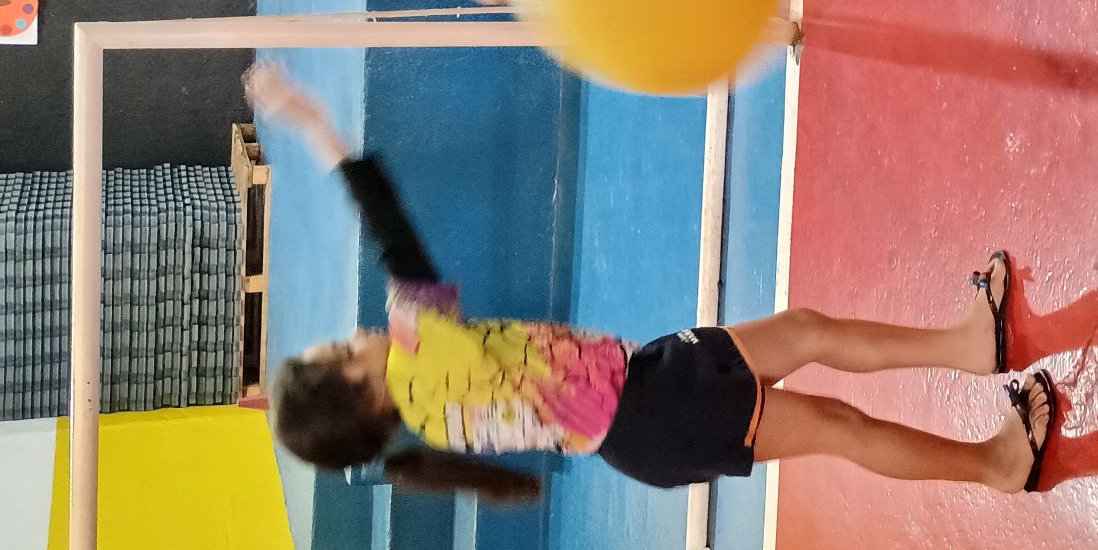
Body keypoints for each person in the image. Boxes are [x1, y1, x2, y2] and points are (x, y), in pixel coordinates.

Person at [249, 63, 1055, 499]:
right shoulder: (417, 357)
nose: (351, 336)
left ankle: (968, 345)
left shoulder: (429, 418)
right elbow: (394, 233)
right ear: (360, 392)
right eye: (338, 352)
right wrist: (316, 126)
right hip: (656, 411)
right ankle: (995, 465)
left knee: (806, 330)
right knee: (838, 425)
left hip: (646, 390)